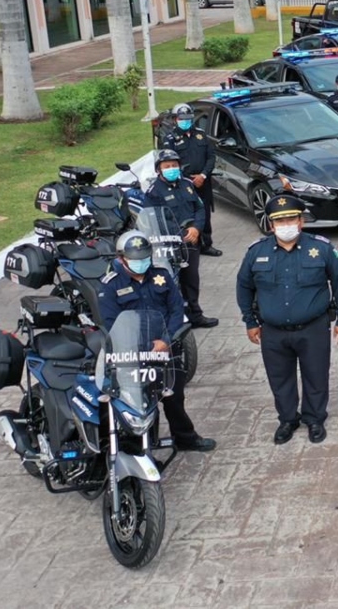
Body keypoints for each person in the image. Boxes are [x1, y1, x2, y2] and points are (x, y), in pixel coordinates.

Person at [236, 194, 338, 444]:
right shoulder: (256, 252)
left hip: (313, 328)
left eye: (291, 219)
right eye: (280, 220)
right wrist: (250, 321)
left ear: (301, 221)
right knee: (279, 378)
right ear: (271, 225)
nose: (286, 224)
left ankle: (314, 418)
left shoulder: (321, 248)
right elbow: (244, 287)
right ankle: (288, 419)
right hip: (273, 331)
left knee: (316, 375)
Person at [98, 230, 216, 452]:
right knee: (134, 400)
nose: (141, 263)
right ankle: (137, 444)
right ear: (121, 259)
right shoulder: (110, 285)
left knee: (174, 397)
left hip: (164, 350)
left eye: (145, 258)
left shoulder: (161, 275)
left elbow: (175, 310)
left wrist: (165, 341)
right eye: (135, 259)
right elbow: (111, 322)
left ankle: (185, 438)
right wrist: (140, 346)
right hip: (131, 354)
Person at [142, 149, 218, 328]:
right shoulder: (153, 192)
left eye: (174, 165)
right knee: (171, 282)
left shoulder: (187, 184)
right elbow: (152, 218)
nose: (171, 169)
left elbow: (199, 209)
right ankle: (176, 318)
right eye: (167, 166)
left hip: (191, 241)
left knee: (191, 280)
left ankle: (195, 314)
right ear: (158, 169)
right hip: (168, 244)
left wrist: (196, 228)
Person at [162, 104, 221, 257]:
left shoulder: (200, 135)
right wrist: (186, 179)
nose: (186, 122)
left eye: (188, 119)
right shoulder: (170, 139)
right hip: (183, 183)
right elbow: (169, 163)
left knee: (205, 212)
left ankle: (206, 244)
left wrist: (203, 175)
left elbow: (211, 157)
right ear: (175, 120)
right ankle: (190, 243)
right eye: (182, 119)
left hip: (202, 180)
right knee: (187, 213)